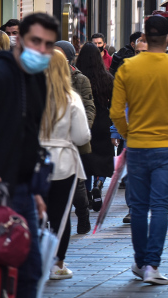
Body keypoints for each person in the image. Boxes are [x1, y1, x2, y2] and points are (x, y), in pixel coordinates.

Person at [110, 15, 168, 285]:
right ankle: (151, 265)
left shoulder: (127, 68)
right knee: (160, 206)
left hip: (137, 144)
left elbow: (115, 112)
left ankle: (139, 261)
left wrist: (128, 134)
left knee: (138, 206)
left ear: (143, 38)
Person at [0, 13, 59, 298]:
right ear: (19, 38)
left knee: (30, 269)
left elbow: (29, 136)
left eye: (48, 44)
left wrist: (35, 192)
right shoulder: (0, 74)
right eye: (35, 41)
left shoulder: (37, 80)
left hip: (21, 190)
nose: (41, 50)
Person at [41, 50, 91, 280]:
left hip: (35, 162)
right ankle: (57, 264)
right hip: (63, 163)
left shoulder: (31, 97)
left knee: (36, 213)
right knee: (61, 216)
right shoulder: (71, 99)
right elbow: (82, 137)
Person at [55, 40, 96, 234]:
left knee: (76, 182)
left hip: (70, 138)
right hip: (48, 141)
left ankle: (82, 212)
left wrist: (82, 130)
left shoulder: (80, 80)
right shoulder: (41, 79)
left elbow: (88, 107)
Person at [76, 43, 116, 214]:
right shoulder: (107, 78)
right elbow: (115, 105)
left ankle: (85, 194)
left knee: (85, 160)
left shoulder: (77, 78)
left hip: (82, 122)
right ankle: (98, 184)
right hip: (102, 123)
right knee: (103, 158)